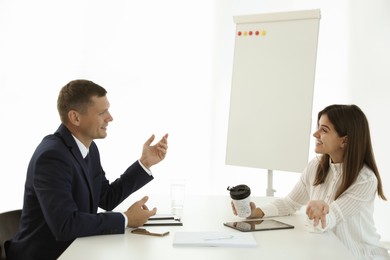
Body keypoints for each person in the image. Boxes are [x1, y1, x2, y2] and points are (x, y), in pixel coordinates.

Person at [5, 79, 169, 260]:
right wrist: (126, 219)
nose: (110, 117)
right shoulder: (52, 157)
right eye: (102, 112)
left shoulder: (88, 148)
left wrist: (144, 163)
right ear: (75, 117)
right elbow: (66, 225)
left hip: (77, 250)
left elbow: (105, 197)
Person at [232, 104, 390, 260]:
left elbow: (330, 219)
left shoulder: (365, 180)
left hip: (359, 255)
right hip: (326, 251)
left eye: (324, 130)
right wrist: (256, 213)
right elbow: (289, 203)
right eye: (318, 127)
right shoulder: (316, 166)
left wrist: (321, 212)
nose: (315, 134)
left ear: (344, 141)